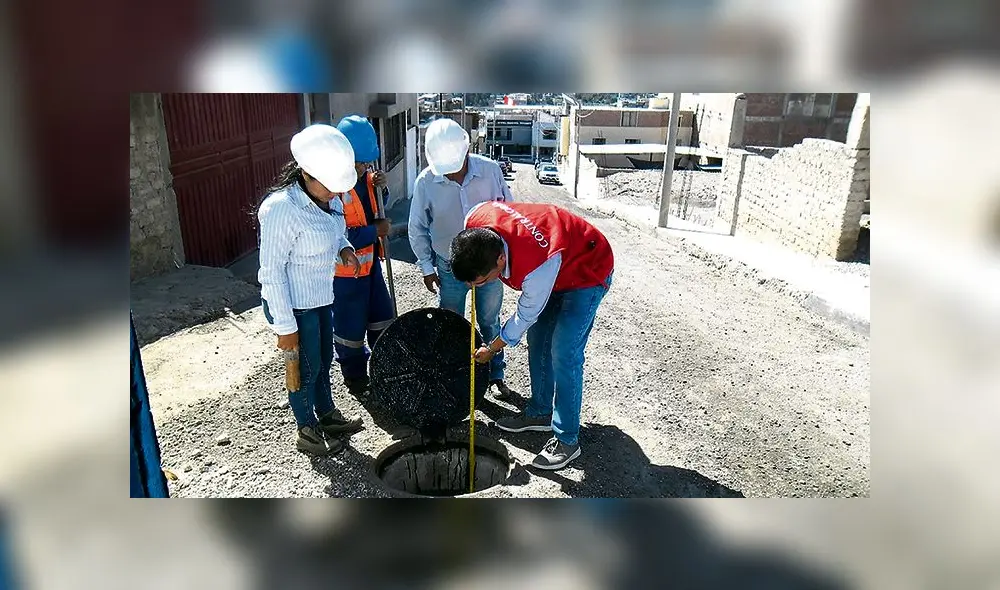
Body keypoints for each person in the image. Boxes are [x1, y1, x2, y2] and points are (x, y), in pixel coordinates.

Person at [449, 201, 614, 470]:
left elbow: (525, 317)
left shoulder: (536, 266)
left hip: (587, 268)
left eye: (480, 281)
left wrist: (492, 348)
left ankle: (567, 440)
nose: (474, 287)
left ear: (500, 260)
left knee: (564, 351)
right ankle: (540, 412)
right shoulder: (475, 218)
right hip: (557, 262)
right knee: (538, 340)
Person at [257, 124, 365, 457]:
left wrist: (344, 249)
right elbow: (271, 272)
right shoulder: (282, 209)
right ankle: (306, 429)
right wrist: (285, 327)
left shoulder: (329, 201)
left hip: (320, 298)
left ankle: (327, 415)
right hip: (293, 305)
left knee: (323, 362)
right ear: (305, 173)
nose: (335, 192)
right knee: (306, 368)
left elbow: (335, 232)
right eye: (328, 185)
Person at [408, 118, 516, 398]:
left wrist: (505, 262)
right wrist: (426, 266)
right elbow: (417, 227)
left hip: (489, 267)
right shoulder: (426, 182)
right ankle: (453, 376)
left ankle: (495, 375)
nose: (451, 174)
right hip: (449, 266)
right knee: (450, 322)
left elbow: (509, 213)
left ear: (467, 150)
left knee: (489, 321)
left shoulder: (490, 172)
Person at [331, 115, 396, 398]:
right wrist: (374, 231)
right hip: (346, 275)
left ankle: (386, 370)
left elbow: (376, 206)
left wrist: (382, 187)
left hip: (372, 269)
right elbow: (336, 234)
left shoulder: (367, 178)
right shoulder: (332, 187)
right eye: (359, 163)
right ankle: (355, 377)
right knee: (350, 328)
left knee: (382, 318)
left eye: (366, 163)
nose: (363, 168)